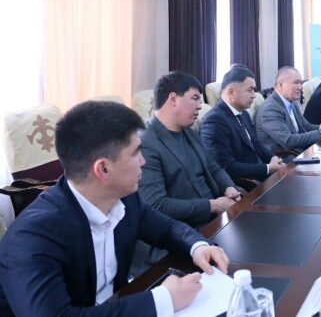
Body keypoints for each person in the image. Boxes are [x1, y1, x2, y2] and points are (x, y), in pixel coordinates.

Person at [0, 101, 230, 316]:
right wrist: (162, 300)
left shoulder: (125, 199)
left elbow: (166, 229)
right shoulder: (32, 238)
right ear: (103, 169)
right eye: (136, 153)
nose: (143, 161)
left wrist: (197, 246)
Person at [139, 71, 241, 229]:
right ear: (173, 99)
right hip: (187, 230)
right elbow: (157, 205)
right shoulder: (146, 143)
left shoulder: (189, 132)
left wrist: (228, 187)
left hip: (219, 217)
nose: (200, 106)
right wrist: (212, 205)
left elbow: (213, 167)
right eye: (195, 98)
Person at [200, 65, 284, 184]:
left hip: (259, 175)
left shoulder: (243, 114)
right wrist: (268, 168)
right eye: (250, 90)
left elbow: (256, 145)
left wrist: (273, 158)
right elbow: (225, 167)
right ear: (231, 92)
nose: (254, 95)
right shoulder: (214, 121)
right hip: (244, 184)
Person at [256, 66, 321, 156]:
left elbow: (306, 126)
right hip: (284, 158)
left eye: (300, 83)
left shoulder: (292, 102)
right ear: (281, 85)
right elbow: (288, 141)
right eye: (296, 83)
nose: (300, 87)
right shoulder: (270, 109)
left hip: (299, 151)